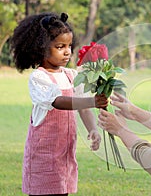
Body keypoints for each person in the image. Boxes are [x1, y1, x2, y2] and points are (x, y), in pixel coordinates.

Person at [10, 12, 108, 196]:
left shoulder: (70, 75)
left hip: (65, 153)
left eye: (69, 46)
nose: (67, 51)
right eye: (59, 46)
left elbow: (83, 106)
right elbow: (58, 102)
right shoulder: (39, 77)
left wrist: (92, 129)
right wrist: (93, 101)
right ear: (41, 48)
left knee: (62, 190)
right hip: (44, 155)